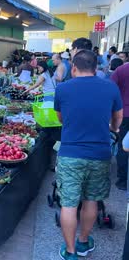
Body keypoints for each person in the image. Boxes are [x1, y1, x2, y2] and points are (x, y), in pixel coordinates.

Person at [54, 50, 123, 260]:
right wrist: (111, 126)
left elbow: (60, 117)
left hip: (70, 154)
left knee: (68, 203)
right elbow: (117, 119)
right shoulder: (110, 87)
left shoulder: (63, 88)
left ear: (73, 67)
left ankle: (70, 252)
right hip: (99, 153)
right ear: (96, 67)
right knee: (91, 200)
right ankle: (83, 242)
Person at [111, 61, 129, 190]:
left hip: (124, 113)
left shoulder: (121, 70)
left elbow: (110, 90)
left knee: (123, 146)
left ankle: (123, 180)